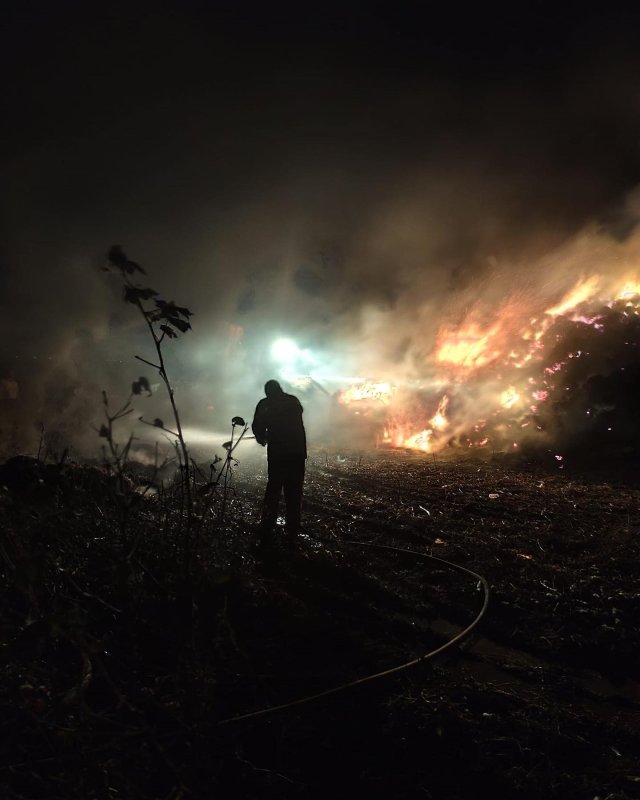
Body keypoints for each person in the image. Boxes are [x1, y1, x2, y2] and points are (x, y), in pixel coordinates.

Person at [252, 379, 307, 545]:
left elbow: (258, 426)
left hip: (278, 454)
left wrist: (262, 437)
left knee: (274, 488)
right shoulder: (293, 401)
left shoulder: (266, 404)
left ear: (268, 392)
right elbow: (297, 414)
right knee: (294, 491)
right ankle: (292, 527)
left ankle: (268, 526)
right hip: (297, 453)